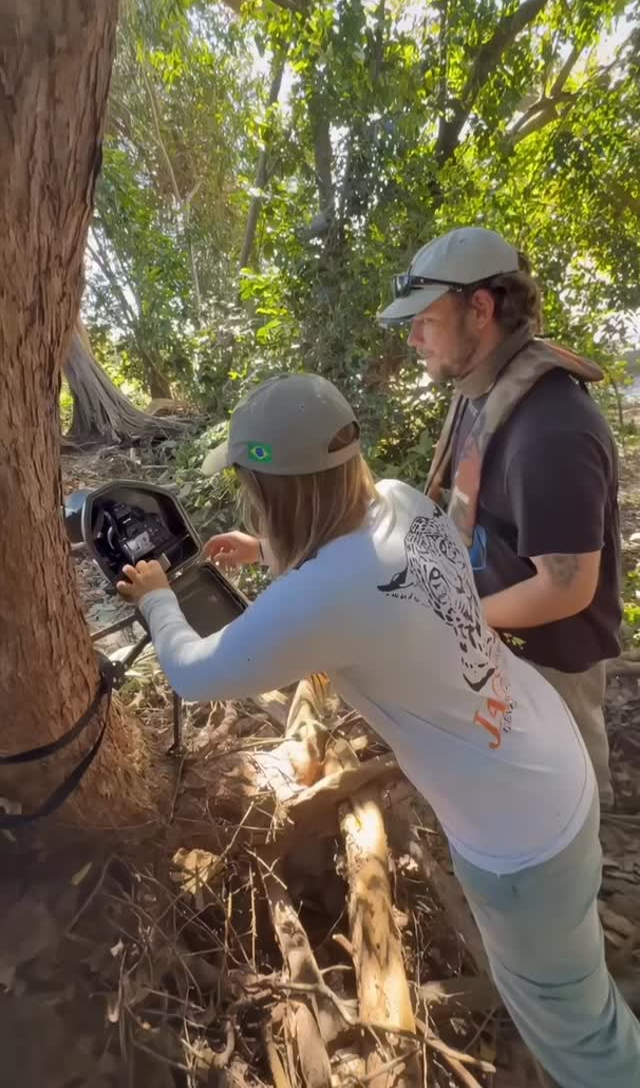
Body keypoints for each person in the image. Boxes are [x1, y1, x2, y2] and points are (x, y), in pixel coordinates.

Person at [117, 373, 639, 1088]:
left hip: (522, 841)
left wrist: (155, 600)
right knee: (576, 990)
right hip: (550, 762)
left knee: (582, 1037)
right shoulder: (399, 500)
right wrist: (265, 547)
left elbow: (197, 672)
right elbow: (349, 570)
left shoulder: (323, 595)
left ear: (268, 488)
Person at [379, 227, 622, 808]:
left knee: (569, 817)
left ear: (480, 309)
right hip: (502, 651)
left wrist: (454, 624)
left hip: (552, 671)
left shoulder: (551, 428)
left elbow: (566, 587)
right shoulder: (480, 390)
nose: (413, 337)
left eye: (426, 321)